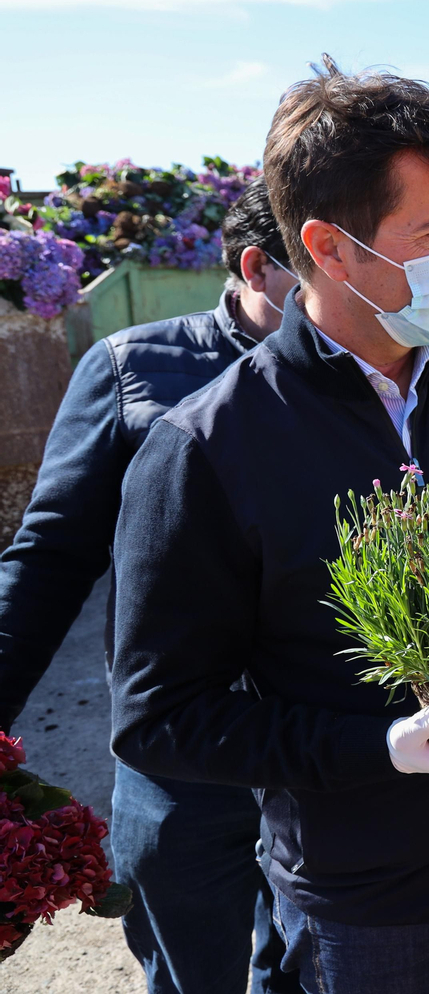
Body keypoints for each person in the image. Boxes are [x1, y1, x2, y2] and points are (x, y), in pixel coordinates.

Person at [109, 59, 429, 994]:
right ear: (332, 245)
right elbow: (162, 720)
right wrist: (376, 752)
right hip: (371, 910)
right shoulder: (208, 449)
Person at [0, 178, 298, 993]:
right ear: (258, 269)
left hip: (321, 747)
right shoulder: (135, 368)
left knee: (309, 968)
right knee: (186, 967)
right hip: (179, 759)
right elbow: (53, 554)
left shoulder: (361, 378)